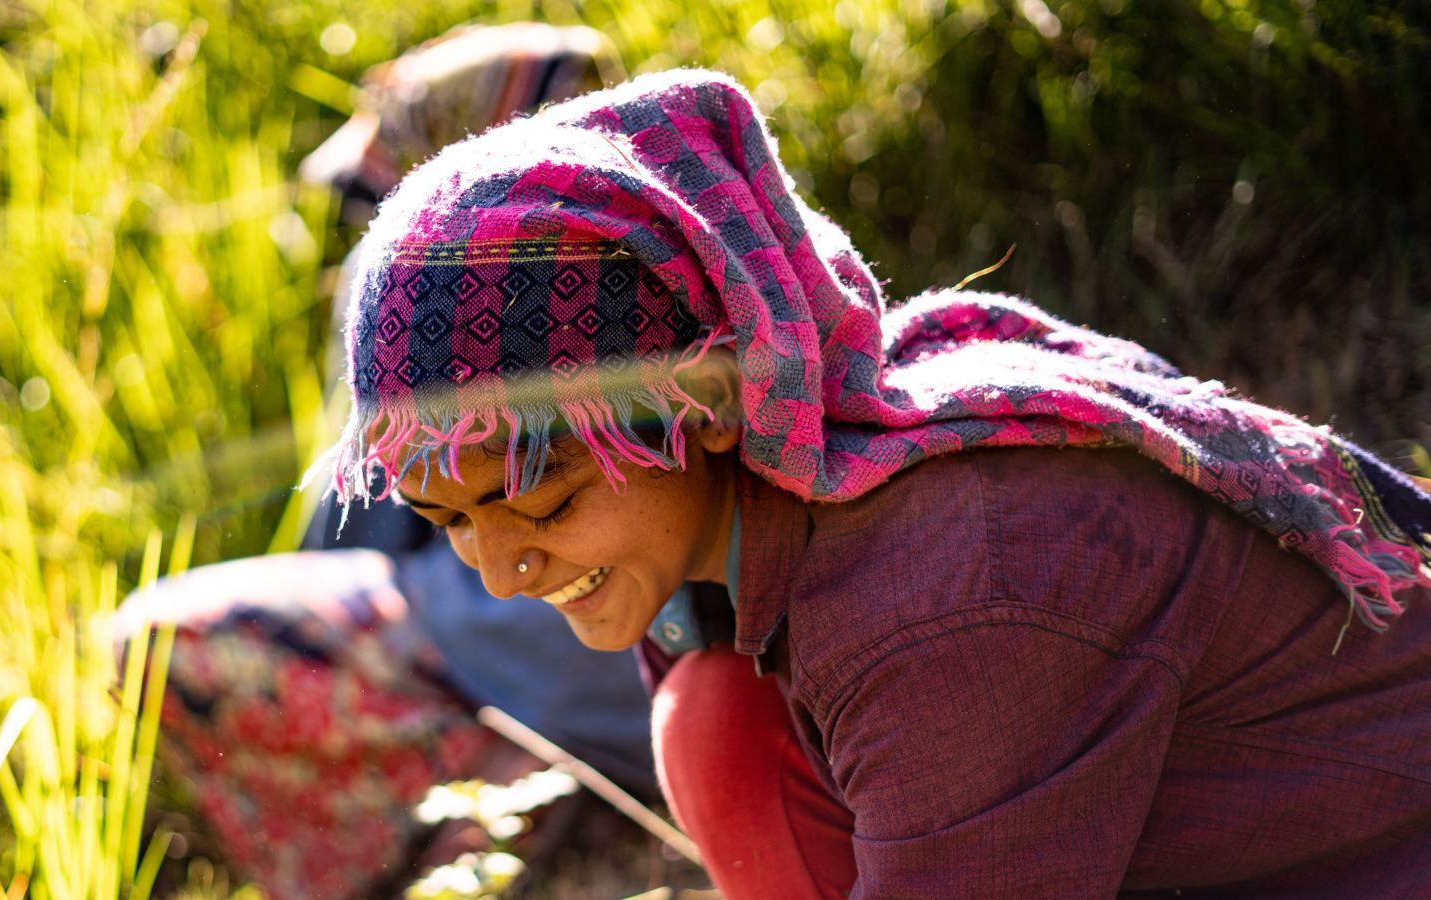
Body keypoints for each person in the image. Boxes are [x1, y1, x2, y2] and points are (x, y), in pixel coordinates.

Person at [319, 68, 1431, 896]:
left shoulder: (943, 592)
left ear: (696, 409)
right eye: (447, 519)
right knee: (715, 718)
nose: (504, 571)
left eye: (548, 503)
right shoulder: (791, 518)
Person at [113, 25, 666, 899]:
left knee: (159, 637)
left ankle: (478, 818)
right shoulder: (662, 242)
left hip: (536, 664)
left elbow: (351, 530)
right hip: (667, 681)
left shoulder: (418, 270)